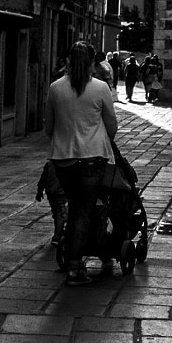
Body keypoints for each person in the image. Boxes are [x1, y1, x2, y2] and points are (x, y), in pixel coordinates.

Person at [48, 39, 121, 285]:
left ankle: (72, 259)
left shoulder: (56, 88)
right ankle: (75, 268)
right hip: (92, 158)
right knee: (83, 211)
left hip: (63, 160)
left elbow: (49, 127)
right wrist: (103, 139)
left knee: (73, 205)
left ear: (68, 60)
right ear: (91, 62)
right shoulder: (100, 88)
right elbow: (112, 124)